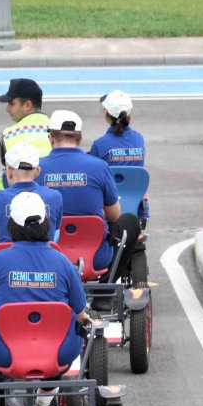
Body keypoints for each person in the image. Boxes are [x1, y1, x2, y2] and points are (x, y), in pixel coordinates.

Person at [0, 192, 89, 406]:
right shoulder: (63, 262)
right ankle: (47, 390)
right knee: (72, 329)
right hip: (58, 351)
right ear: (46, 223)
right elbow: (81, 312)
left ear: (12, 225)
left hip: (6, 351)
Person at [39, 110, 143, 287]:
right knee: (131, 222)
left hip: (49, 256)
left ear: (50, 137)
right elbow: (114, 215)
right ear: (80, 138)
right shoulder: (99, 167)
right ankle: (105, 290)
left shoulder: (37, 169)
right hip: (96, 256)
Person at [88, 90, 149, 284]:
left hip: (108, 209)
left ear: (106, 113)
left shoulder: (100, 145)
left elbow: (93, 172)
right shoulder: (139, 140)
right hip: (133, 206)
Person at [0, 143, 63, 266]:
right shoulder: (55, 197)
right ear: (37, 171)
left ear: (9, 171)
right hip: (45, 262)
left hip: (8, 263)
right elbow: (55, 228)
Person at [0, 78, 51, 194]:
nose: (7, 109)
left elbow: (8, 174)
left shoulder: (8, 135)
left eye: (11, 103)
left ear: (28, 105)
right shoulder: (58, 129)